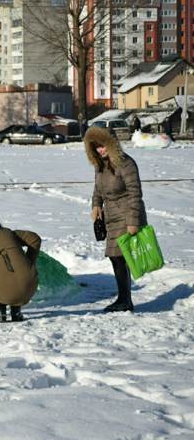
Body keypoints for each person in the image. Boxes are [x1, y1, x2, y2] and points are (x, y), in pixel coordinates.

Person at [85, 126, 147, 312]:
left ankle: (125, 300)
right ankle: (124, 298)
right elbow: (98, 190)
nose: (100, 150)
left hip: (127, 213)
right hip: (110, 216)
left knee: (118, 256)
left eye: (103, 146)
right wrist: (96, 206)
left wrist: (133, 221)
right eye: (96, 147)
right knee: (115, 258)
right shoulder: (100, 165)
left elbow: (135, 193)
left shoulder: (126, 163)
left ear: (111, 144)